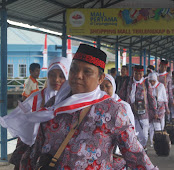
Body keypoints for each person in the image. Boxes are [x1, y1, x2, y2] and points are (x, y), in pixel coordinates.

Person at [17, 44, 158, 169]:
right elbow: (37, 149)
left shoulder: (113, 110)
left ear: (100, 78)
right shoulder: (54, 105)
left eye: (87, 72)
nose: (78, 75)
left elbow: (135, 155)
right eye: (74, 69)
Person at [0, 57, 71, 169]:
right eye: (52, 75)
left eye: (62, 76)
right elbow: (22, 118)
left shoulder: (73, 101)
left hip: (60, 151)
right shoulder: (37, 97)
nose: (56, 79)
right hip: (34, 148)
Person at [100, 74, 135, 170]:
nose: (104, 90)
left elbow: (131, 131)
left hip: (119, 153)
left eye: (107, 86)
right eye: (101, 87)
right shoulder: (95, 106)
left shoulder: (123, 106)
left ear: (114, 87)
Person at [126, 65, 157, 150]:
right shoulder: (128, 82)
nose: (138, 76)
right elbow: (123, 95)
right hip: (131, 112)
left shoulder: (146, 83)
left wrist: (155, 111)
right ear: (133, 73)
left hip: (143, 113)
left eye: (140, 74)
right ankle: (138, 149)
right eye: (136, 73)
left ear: (143, 73)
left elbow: (151, 98)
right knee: (132, 132)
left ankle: (143, 146)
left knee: (144, 134)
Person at [147, 72, 169, 147]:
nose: (152, 83)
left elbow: (165, 98)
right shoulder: (147, 87)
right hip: (151, 109)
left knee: (160, 125)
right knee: (152, 126)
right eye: (150, 81)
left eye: (153, 81)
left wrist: (167, 108)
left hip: (160, 108)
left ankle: (159, 140)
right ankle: (153, 142)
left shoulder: (161, 86)